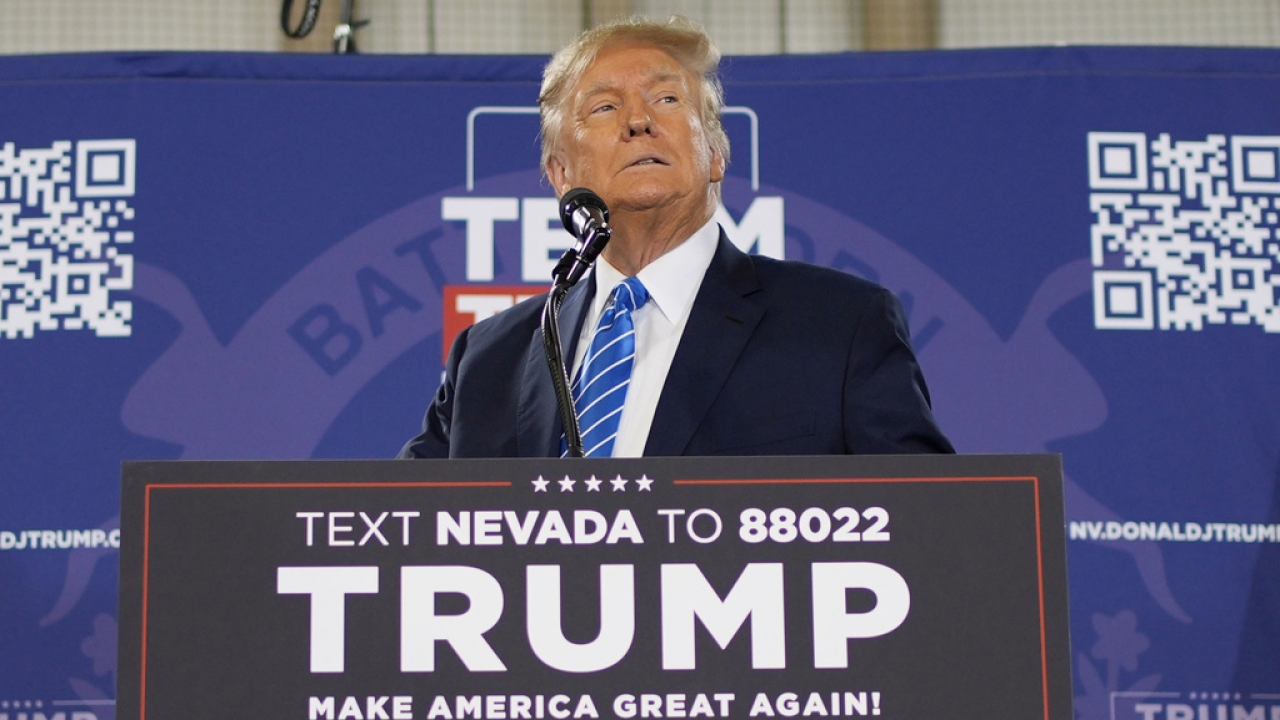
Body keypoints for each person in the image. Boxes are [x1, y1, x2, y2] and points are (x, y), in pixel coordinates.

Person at [399, 15, 952, 459]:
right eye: (605, 106)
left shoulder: (840, 325)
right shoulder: (489, 358)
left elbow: (926, 524)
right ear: (561, 174)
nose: (638, 121)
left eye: (667, 99)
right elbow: (399, 527)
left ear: (714, 154)